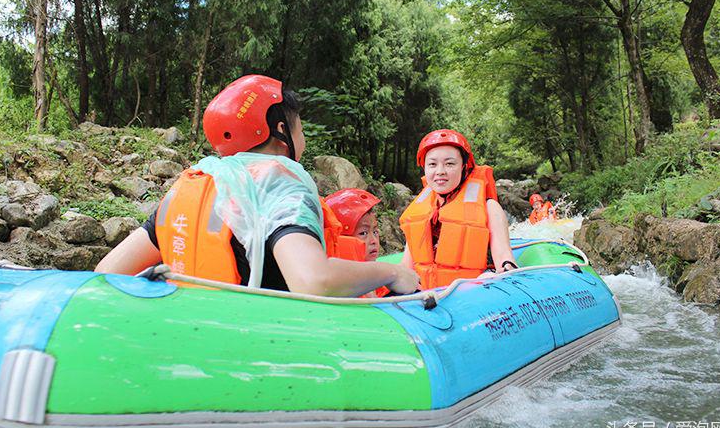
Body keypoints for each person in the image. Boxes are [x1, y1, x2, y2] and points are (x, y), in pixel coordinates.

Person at [95, 75, 419, 297]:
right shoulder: (280, 184)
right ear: (280, 130)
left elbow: (108, 271)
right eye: (300, 129)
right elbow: (312, 281)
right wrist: (391, 274)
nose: (303, 140)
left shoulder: (194, 183)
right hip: (262, 352)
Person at [399, 129, 517, 290]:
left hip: (472, 294)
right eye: (432, 164)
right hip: (427, 296)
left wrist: (507, 271)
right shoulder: (419, 213)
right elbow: (406, 267)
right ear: (425, 168)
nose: (440, 171)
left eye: (450, 164)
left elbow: (504, 257)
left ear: (463, 167)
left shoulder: (490, 208)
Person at [324, 189, 389, 298]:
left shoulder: (379, 277)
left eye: (375, 232)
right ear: (343, 240)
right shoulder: (338, 285)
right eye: (363, 233)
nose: (373, 241)